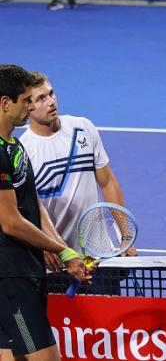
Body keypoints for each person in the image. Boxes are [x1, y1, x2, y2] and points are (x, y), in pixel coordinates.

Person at [0, 64, 89, 361]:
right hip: (10, 280)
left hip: (25, 272)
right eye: (26, 100)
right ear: (5, 103)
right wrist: (62, 250)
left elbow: (34, 205)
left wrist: (64, 251)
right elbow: (11, 222)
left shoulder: (15, 146)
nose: (31, 107)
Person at [19, 72, 137, 274]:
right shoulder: (23, 151)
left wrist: (125, 236)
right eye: (41, 98)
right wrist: (43, 245)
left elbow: (107, 182)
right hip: (58, 262)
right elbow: (25, 210)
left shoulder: (82, 128)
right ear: (27, 108)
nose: (51, 102)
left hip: (98, 256)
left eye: (51, 94)